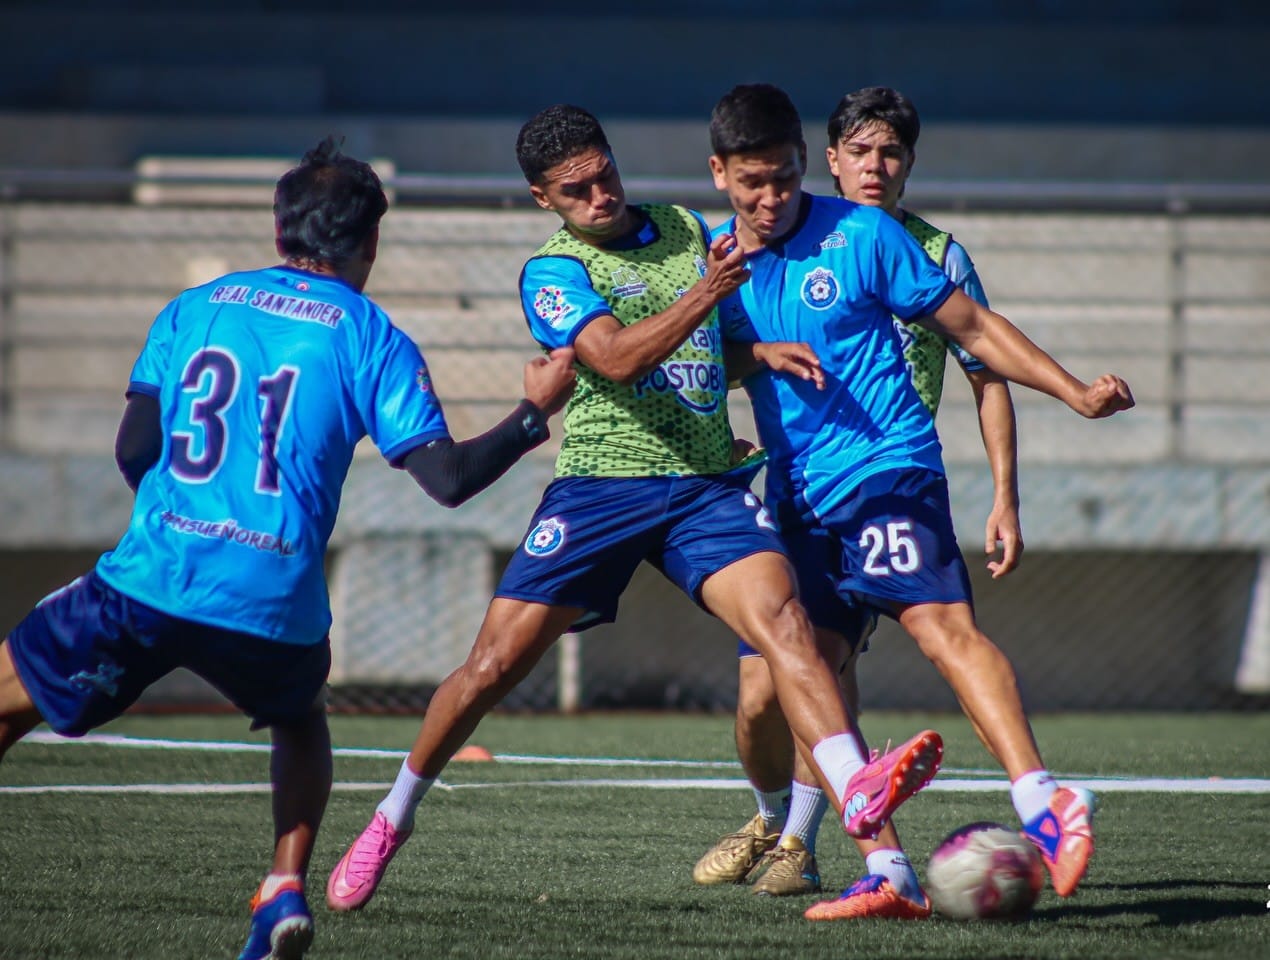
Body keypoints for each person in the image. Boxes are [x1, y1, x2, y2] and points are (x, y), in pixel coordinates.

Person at [324, 104, 946, 914]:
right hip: (601, 489)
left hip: (703, 489)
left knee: (789, 627)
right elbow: (614, 359)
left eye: (605, 173)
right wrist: (710, 291)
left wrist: (754, 349)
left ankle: (882, 857)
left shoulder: (684, 228)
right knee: (492, 668)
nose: (600, 196)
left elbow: (716, 342)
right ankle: (390, 817)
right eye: (575, 189)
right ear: (544, 199)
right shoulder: (551, 270)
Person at [0, 137, 577, 960]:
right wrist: (533, 415)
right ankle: (283, 885)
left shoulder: (194, 306)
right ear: (370, 244)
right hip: (274, 599)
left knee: (8, 695)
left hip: (156, 576)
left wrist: (185, 516)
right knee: (301, 718)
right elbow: (447, 480)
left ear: (280, 234)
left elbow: (135, 450)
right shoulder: (372, 337)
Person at [704, 84, 1133, 920]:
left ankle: (1046, 803)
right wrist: (753, 353)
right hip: (793, 499)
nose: (771, 197)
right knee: (800, 679)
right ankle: (888, 873)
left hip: (887, 473)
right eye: (754, 182)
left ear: (805, 167)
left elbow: (974, 329)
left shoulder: (867, 236)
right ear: (720, 174)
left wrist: (1075, 392)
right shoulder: (713, 262)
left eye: (785, 179)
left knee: (940, 629)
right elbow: (693, 370)